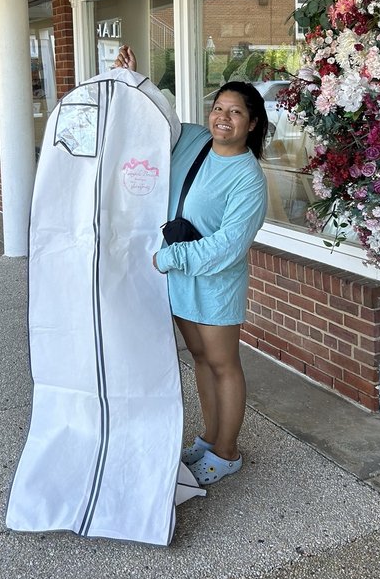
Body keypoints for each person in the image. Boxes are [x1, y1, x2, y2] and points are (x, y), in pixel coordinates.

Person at [114, 45, 268, 485]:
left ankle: (228, 452)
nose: (223, 117)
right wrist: (134, 81)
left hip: (214, 284)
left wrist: (169, 257)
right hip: (179, 279)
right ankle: (210, 437)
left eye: (235, 112)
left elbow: (228, 246)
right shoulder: (196, 140)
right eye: (219, 108)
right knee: (200, 359)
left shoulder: (248, 179)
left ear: (252, 123)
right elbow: (158, 121)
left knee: (223, 364)